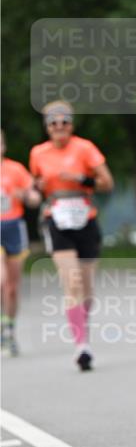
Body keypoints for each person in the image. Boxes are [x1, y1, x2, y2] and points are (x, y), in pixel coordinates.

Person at [29, 101, 114, 370]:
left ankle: (83, 330)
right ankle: (81, 346)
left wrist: (82, 178)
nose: (59, 127)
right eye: (53, 123)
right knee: (72, 283)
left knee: (87, 290)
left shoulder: (85, 148)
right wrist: (37, 187)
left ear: (71, 125)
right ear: (47, 128)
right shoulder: (38, 153)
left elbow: (107, 183)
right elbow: (35, 186)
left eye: (64, 122)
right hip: (56, 218)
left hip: (85, 217)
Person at [1, 130, 42, 356]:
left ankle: (9, 329)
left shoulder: (15, 169)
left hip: (14, 228)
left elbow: (34, 197)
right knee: (1, 279)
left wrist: (26, 196)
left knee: (12, 288)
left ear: (4, 146)